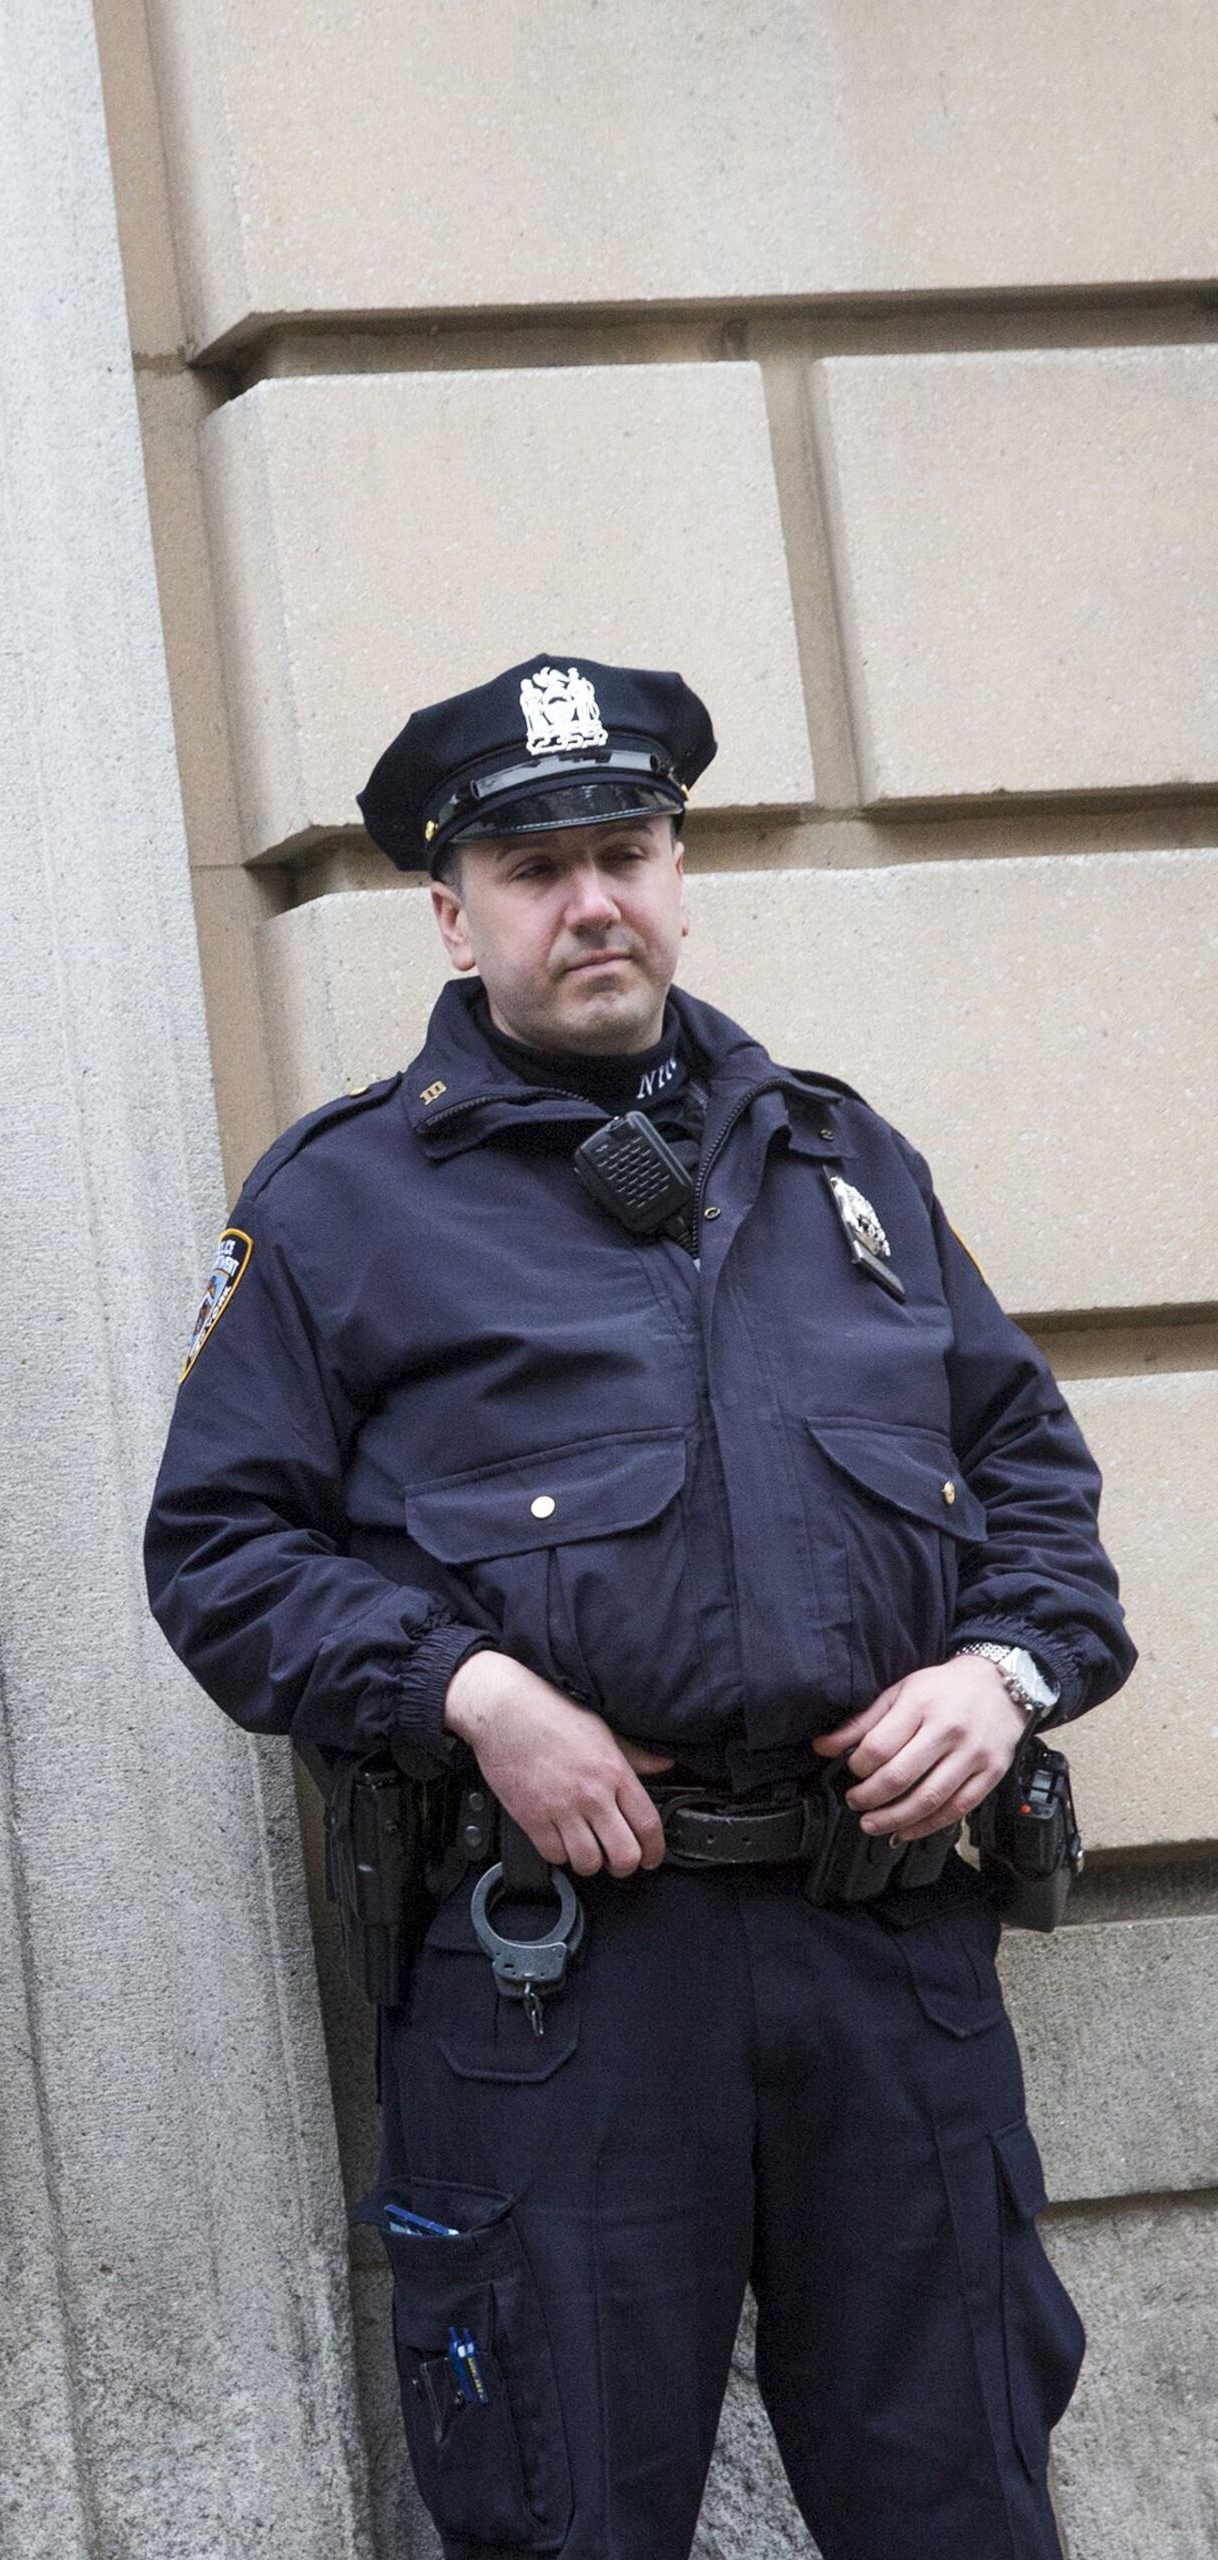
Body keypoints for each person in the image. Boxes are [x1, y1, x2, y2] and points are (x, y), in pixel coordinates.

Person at [143, 658, 1119, 2560]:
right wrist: (468, 1689)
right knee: (566, 2514)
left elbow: (1037, 1494)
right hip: (568, 1978)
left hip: (889, 1952)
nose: (591, 900)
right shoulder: (345, 1206)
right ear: (452, 909)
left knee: (967, 2502)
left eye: (626, 850)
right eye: (533, 868)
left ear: (679, 872)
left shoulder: (843, 1163)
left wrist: (1006, 1677)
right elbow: (220, 1553)